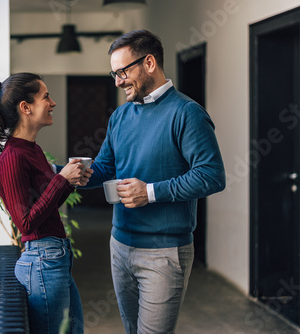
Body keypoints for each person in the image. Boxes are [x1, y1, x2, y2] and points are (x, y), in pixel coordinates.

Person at [83, 30, 226, 333]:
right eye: (114, 73)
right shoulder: (120, 116)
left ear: (149, 63)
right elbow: (105, 168)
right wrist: (59, 172)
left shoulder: (187, 114)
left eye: (123, 71)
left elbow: (211, 175)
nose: (118, 81)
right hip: (120, 245)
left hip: (164, 253)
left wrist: (149, 192)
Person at [0, 73, 92, 334]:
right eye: (46, 97)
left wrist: (70, 180)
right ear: (25, 108)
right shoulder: (12, 157)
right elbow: (25, 222)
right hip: (43, 260)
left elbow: (46, 206)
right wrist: (61, 180)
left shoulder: (33, 149)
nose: (53, 103)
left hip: (56, 257)